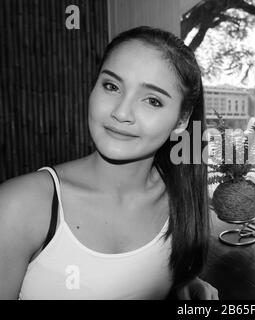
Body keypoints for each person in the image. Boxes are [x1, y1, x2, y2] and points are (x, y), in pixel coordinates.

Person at [0, 26, 218, 300]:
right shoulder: (18, 206)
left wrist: (182, 281)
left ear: (181, 121)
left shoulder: (179, 199)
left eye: (152, 100)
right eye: (111, 86)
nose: (121, 112)